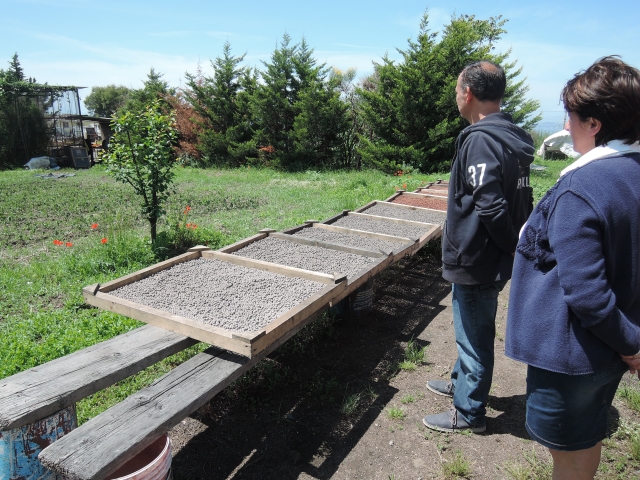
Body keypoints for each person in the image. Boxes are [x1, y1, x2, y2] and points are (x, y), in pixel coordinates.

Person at [505, 56, 640, 479]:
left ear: (595, 123)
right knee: (587, 435)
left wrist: (631, 345)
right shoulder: (632, 173)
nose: (565, 126)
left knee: (567, 451)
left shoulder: (582, 187)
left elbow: (586, 293)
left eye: (571, 115)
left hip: (574, 352)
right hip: (609, 349)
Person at [423, 61, 534, 433]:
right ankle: (460, 382)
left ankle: (469, 412)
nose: (457, 97)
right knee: (469, 326)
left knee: (474, 336)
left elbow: (490, 205)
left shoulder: (482, 140)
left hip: (477, 257)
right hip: (491, 257)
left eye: (457, 90)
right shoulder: (510, 136)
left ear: (468, 93)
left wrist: (510, 248)